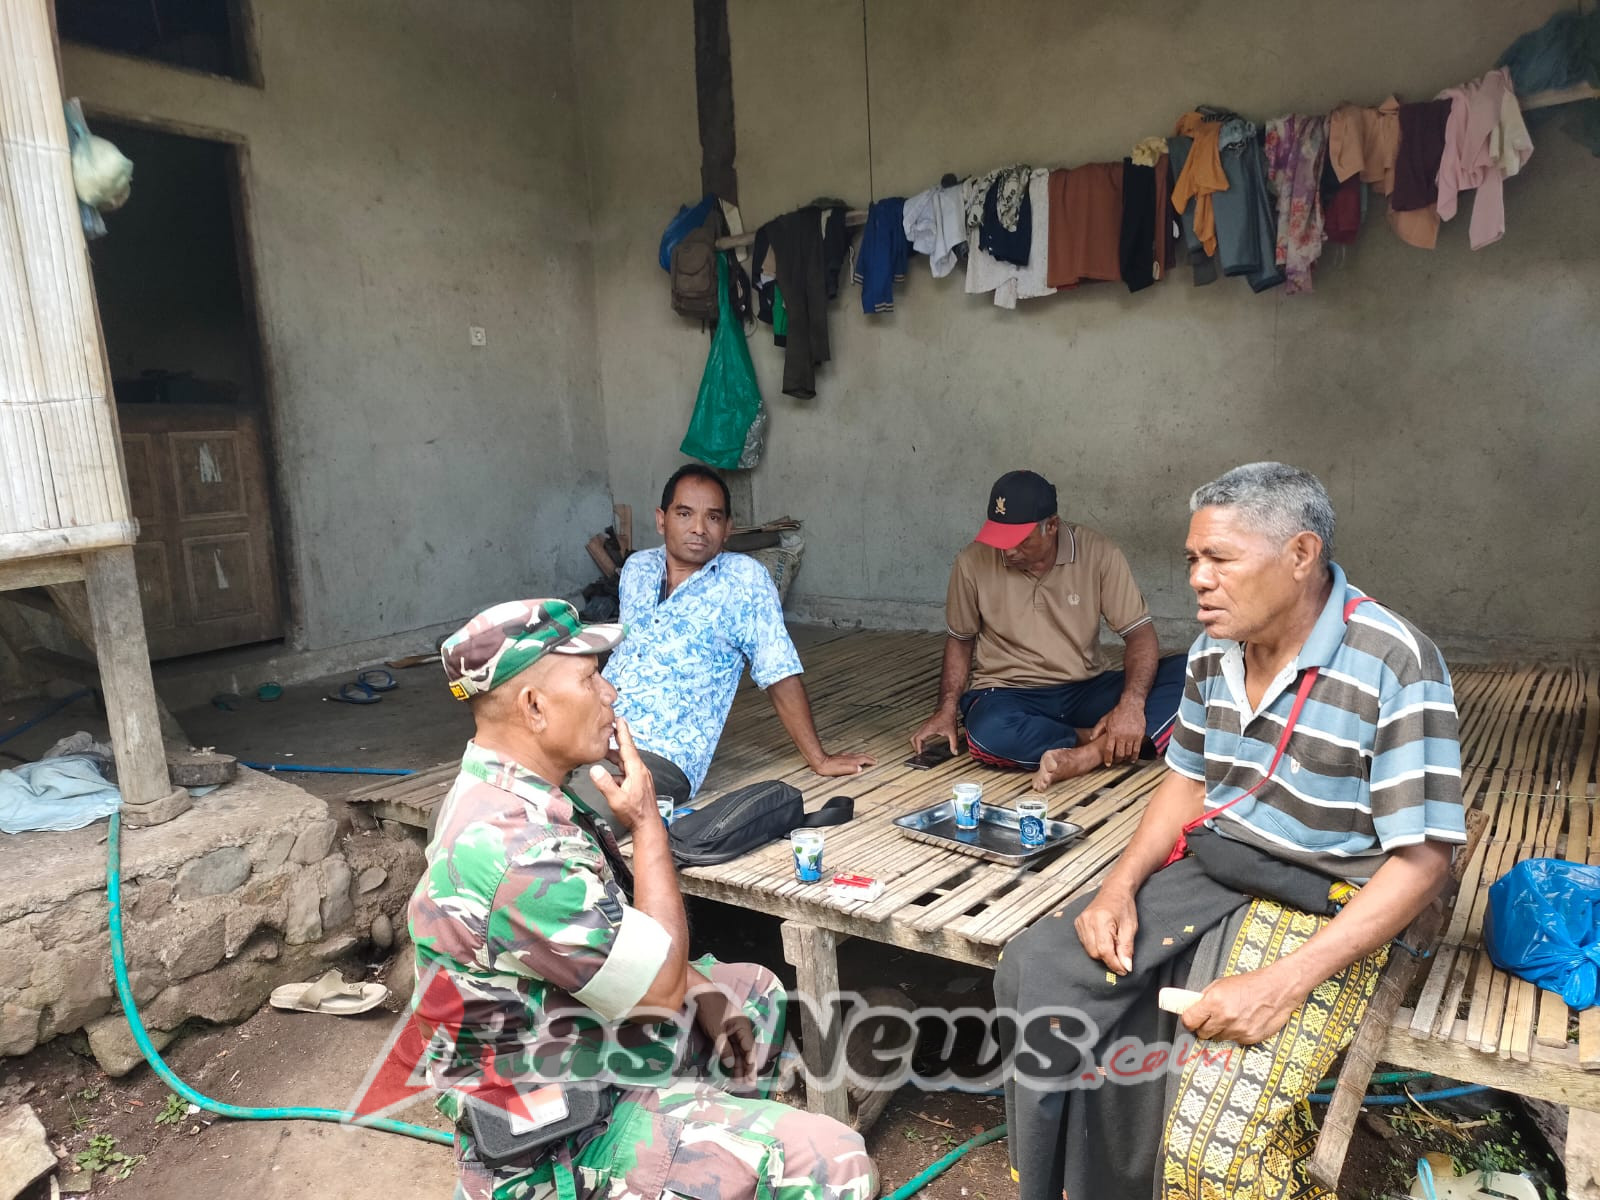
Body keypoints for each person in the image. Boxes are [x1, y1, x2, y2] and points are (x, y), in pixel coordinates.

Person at [995, 463, 1466, 1200]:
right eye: (1192, 560)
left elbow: (1423, 861)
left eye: (1220, 559)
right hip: (1226, 862)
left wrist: (1282, 984)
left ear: (1301, 555)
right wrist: (1119, 887)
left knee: (1210, 1152)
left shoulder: (1395, 663)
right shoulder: (1217, 648)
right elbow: (1185, 780)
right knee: (1038, 968)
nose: (1198, 580)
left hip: (1338, 890)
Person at [410, 598, 876, 1200]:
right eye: (590, 677)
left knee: (749, 994)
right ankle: (695, 1152)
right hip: (556, 1147)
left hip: (579, 1048)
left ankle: (702, 1141)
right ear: (533, 706)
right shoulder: (517, 849)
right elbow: (658, 987)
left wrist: (697, 985)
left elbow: (628, 950)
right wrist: (646, 819)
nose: (611, 691)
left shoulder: (500, 788)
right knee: (839, 1161)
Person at [601, 463, 875, 803]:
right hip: (590, 732)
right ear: (661, 520)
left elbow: (779, 672)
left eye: (713, 518)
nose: (699, 528)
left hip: (660, 754)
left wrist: (819, 759)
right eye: (685, 514)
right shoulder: (637, 568)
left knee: (569, 813)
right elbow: (626, 654)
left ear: (728, 528)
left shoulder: (743, 581)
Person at [909, 469, 1186, 790]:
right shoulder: (971, 562)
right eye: (1000, 539)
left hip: (1088, 689)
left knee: (1191, 673)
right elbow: (960, 641)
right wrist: (946, 709)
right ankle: (1101, 740)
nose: (1007, 551)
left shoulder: (1099, 553)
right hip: (1008, 694)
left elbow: (1139, 634)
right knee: (987, 734)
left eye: (1020, 541)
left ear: (1051, 526)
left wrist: (1131, 705)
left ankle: (1091, 753)